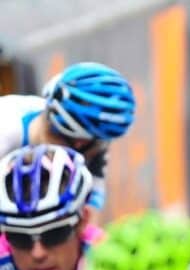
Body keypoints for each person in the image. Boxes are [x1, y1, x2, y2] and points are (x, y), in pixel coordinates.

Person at [0, 62, 135, 215]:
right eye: (66, 139)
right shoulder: (6, 129)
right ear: (49, 119)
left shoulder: (95, 142)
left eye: (87, 145)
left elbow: (90, 210)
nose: (73, 151)